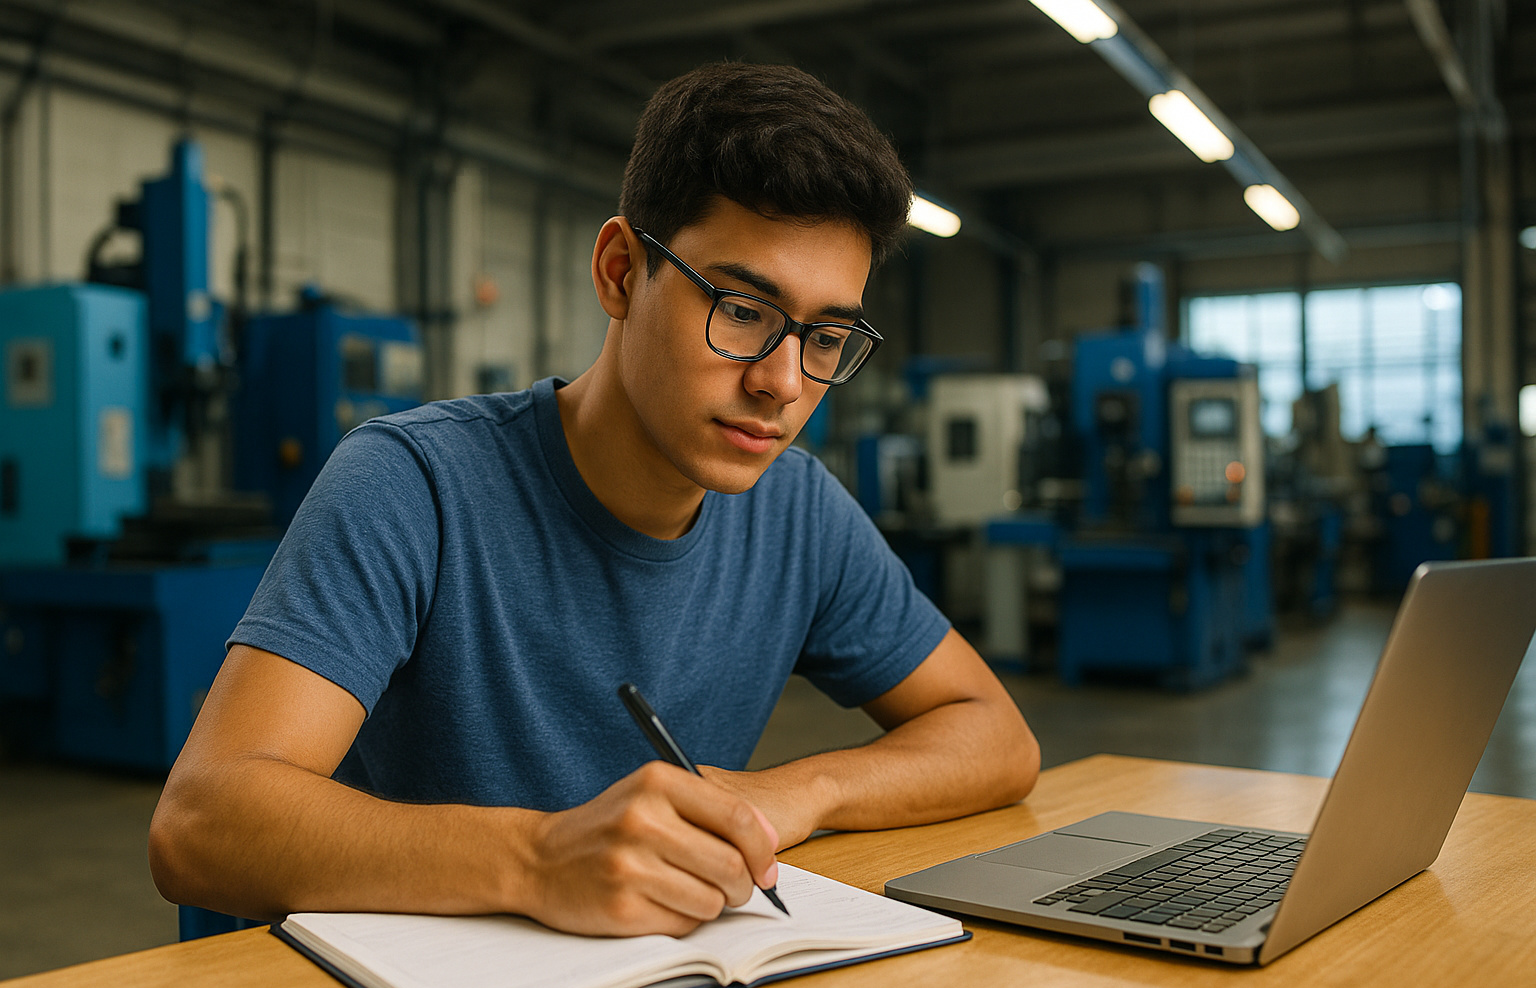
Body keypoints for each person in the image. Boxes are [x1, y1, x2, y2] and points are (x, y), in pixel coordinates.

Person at [149, 61, 1040, 938]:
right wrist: (539, 858)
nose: (781, 383)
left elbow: (997, 737)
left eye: (828, 336)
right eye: (739, 309)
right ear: (620, 271)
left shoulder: (797, 512)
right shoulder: (415, 484)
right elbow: (202, 824)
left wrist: (795, 792)